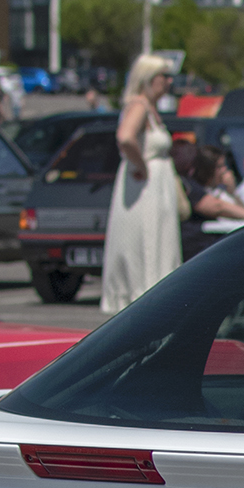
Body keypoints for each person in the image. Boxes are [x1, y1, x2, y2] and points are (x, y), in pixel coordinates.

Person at [102, 52, 188, 315]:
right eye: (164, 76)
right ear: (148, 78)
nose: (168, 82)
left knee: (157, 246)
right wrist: (141, 165)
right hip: (144, 191)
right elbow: (125, 137)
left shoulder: (151, 109)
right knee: (147, 246)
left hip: (154, 190)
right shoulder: (139, 105)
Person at [180, 144, 244, 261]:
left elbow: (241, 213)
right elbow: (218, 207)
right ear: (207, 168)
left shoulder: (221, 192)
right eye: (219, 167)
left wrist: (232, 192)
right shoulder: (192, 188)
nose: (224, 171)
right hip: (198, 252)